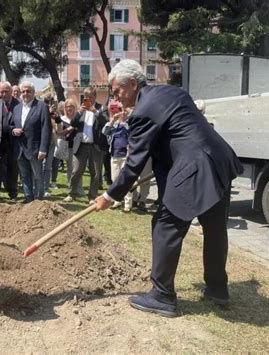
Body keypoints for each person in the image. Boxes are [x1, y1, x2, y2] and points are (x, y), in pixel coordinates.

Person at [95, 59, 243, 317]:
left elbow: (134, 163)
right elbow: (175, 137)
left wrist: (110, 195)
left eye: (116, 90)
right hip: (219, 161)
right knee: (215, 228)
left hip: (196, 168)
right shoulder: (171, 92)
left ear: (132, 84)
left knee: (166, 225)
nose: (115, 96)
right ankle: (218, 289)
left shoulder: (142, 111)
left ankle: (162, 296)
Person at [63, 88, 108, 204]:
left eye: (90, 96)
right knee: (77, 170)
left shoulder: (101, 108)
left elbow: (106, 122)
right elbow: (73, 124)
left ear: (95, 96)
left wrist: (96, 113)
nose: (88, 99)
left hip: (96, 146)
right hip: (81, 145)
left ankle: (92, 196)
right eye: (86, 96)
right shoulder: (80, 109)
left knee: (96, 173)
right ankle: (71, 194)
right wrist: (79, 113)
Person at [10, 81, 51, 203]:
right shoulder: (16, 108)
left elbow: (46, 128)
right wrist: (13, 130)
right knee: (24, 176)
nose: (25, 93)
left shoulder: (41, 107)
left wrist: (43, 149)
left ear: (33, 92)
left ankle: (39, 199)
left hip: (35, 148)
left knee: (38, 175)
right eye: (23, 91)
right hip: (20, 148)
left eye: (28, 91)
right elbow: (12, 125)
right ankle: (28, 198)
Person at [0, 81, 20, 201]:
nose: (3, 94)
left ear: (11, 91)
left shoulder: (19, 105)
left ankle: (12, 192)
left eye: (6, 91)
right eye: (1, 92)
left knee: (13, 168)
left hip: (14, 141)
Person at [102, 105, 133, 212]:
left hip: (126, 156)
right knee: (115, 179)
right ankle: (117, 201)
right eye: (120, 110)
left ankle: (128, 205)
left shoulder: (130, 124)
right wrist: (112, 121)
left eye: (123, 110)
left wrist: (125, 124)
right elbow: (104, 132)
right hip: (115, 155)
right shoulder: (114, 125)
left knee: (126, 180)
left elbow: (134, 135)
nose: (121, 113)